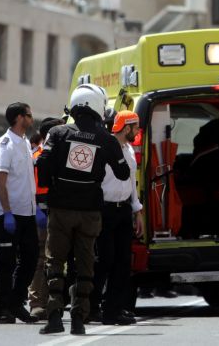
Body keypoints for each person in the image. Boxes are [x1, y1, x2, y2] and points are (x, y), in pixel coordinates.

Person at [37, 84, 130, 335]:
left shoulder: (57, 132)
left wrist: (53, 184)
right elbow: (123, 173)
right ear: (98, 106)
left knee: (55, 262)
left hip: (60, 209)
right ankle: (79, 319)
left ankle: (54, 317)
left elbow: (42, 164)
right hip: (90, 212)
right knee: (85, 263)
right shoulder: (106, 139)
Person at [91, 110, 144, 326]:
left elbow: (132, 183)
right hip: (105, 210)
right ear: (127, 127)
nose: (138, 131)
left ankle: (113, 310)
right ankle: (92, 306)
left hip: (124, 211)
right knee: (105, 260)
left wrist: (137, 211)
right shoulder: (106, 147)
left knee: (123, 262)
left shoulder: (129, 150)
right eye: (136, 126)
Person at [0, 102, 39, 324]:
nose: (31, 118)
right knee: (6, 262)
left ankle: (15, 302)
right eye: (29, 115)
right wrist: (7, 212)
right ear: (20, 118)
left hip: (27, 212)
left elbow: (26, 180)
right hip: (9, 214)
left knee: (31, 258)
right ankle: (0, 308)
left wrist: (35, 208)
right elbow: (1, 182)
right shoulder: (5, 144)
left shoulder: (25, 142)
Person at [28, 118, 65, 320]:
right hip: (41, 213)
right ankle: (36, 302)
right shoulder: (36, 157)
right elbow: (29, 188)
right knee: (41, 259)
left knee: (57, 260)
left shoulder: (62, 154)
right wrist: (36, 211)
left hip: (60, 212)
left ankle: (54, 302)